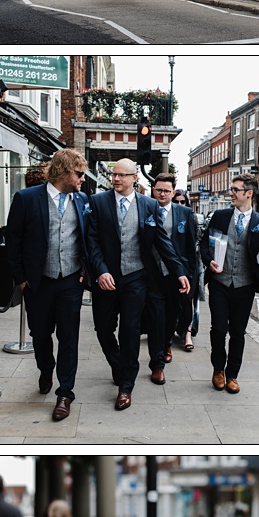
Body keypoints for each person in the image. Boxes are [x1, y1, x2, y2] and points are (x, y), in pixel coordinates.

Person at [86, 159, 190, 411]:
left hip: (137, 276)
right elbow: (92, 241)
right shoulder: (98, 202)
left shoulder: (149, 205)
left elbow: (162, 242)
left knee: (130, 329)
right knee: (103, 328)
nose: (116, 179)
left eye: (122, 175)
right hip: (106, 278)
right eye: (114, 175)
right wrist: (101, 271)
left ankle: (126, 386)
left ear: (135, 178)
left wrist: (179, 271)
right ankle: (118, 364)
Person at [6, 147, 96, 421]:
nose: (83, 179)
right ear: (64, 171)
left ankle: (65, 393)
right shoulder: (26, 198)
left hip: (70, 281)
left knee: (69, 338)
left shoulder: (82, 201)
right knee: (40, 335)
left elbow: (89, 240)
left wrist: (84, 272)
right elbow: (13, 242)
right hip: (38, 282)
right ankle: (46, 368)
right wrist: (21, 280)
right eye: (79, 174)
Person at [199, 176, 259, 395]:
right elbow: (204, 244)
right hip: (219, 283)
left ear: (248, 193)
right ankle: (218, 370)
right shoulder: (221, 216)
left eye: (235, 189)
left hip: (245, 285)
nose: (231, 193)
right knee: (218, 330)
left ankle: (232, 374)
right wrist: (209, 261)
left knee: (238, 333)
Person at [145, 174, 201, 376]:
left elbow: (190, 247)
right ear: (154, 190)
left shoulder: (184, 212)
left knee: (172, 316)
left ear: (173, 192)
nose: (162, 194)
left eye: (167, 191)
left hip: (177, 275)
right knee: (155, 318)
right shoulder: (146, 209)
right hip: (152, 274)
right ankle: (157, 362)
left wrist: (190, 277)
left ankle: (167, 341)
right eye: (159, 190)